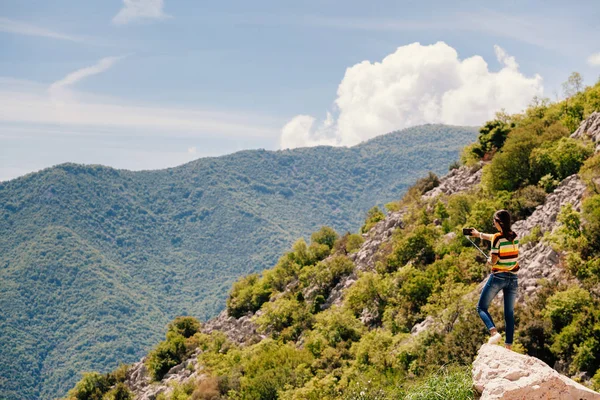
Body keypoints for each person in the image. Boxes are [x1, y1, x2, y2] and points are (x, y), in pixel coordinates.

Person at [469, 209, 519, 350]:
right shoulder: (515, 236)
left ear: (499, 222)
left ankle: (494, 332)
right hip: (513, 278)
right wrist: (479, 235)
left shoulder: (497, 238)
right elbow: (495, 237)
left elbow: (494, 260)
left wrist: (489, 261)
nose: (493, 223)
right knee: (509, 314)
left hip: (498, 277)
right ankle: (508, 346)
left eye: (494, 221)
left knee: (481, 307)